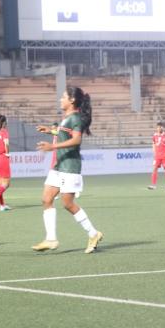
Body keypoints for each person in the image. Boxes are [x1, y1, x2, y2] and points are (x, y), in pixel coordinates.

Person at [32, 87, 104, 254]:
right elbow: (65, 132)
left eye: (63, 97)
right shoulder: (67, 119)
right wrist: (51, 131)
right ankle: (51, 239)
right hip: (59, 165)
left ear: (72, 100)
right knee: (46, 199)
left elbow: (77, 139)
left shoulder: (76, 118)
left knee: (67, 204)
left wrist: (53, 146)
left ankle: (93, 233)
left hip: (70, 166)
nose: (60, 99)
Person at [148, 122, 165, 190]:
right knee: (154, 169)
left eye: (161, 127)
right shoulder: (154, 135)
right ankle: (153, 185)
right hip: (157, 156)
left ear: (163, 127)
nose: (160, 128)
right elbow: (153, 143)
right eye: (158, 127)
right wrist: (154, 151)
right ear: (156, 128)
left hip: (164, 156)